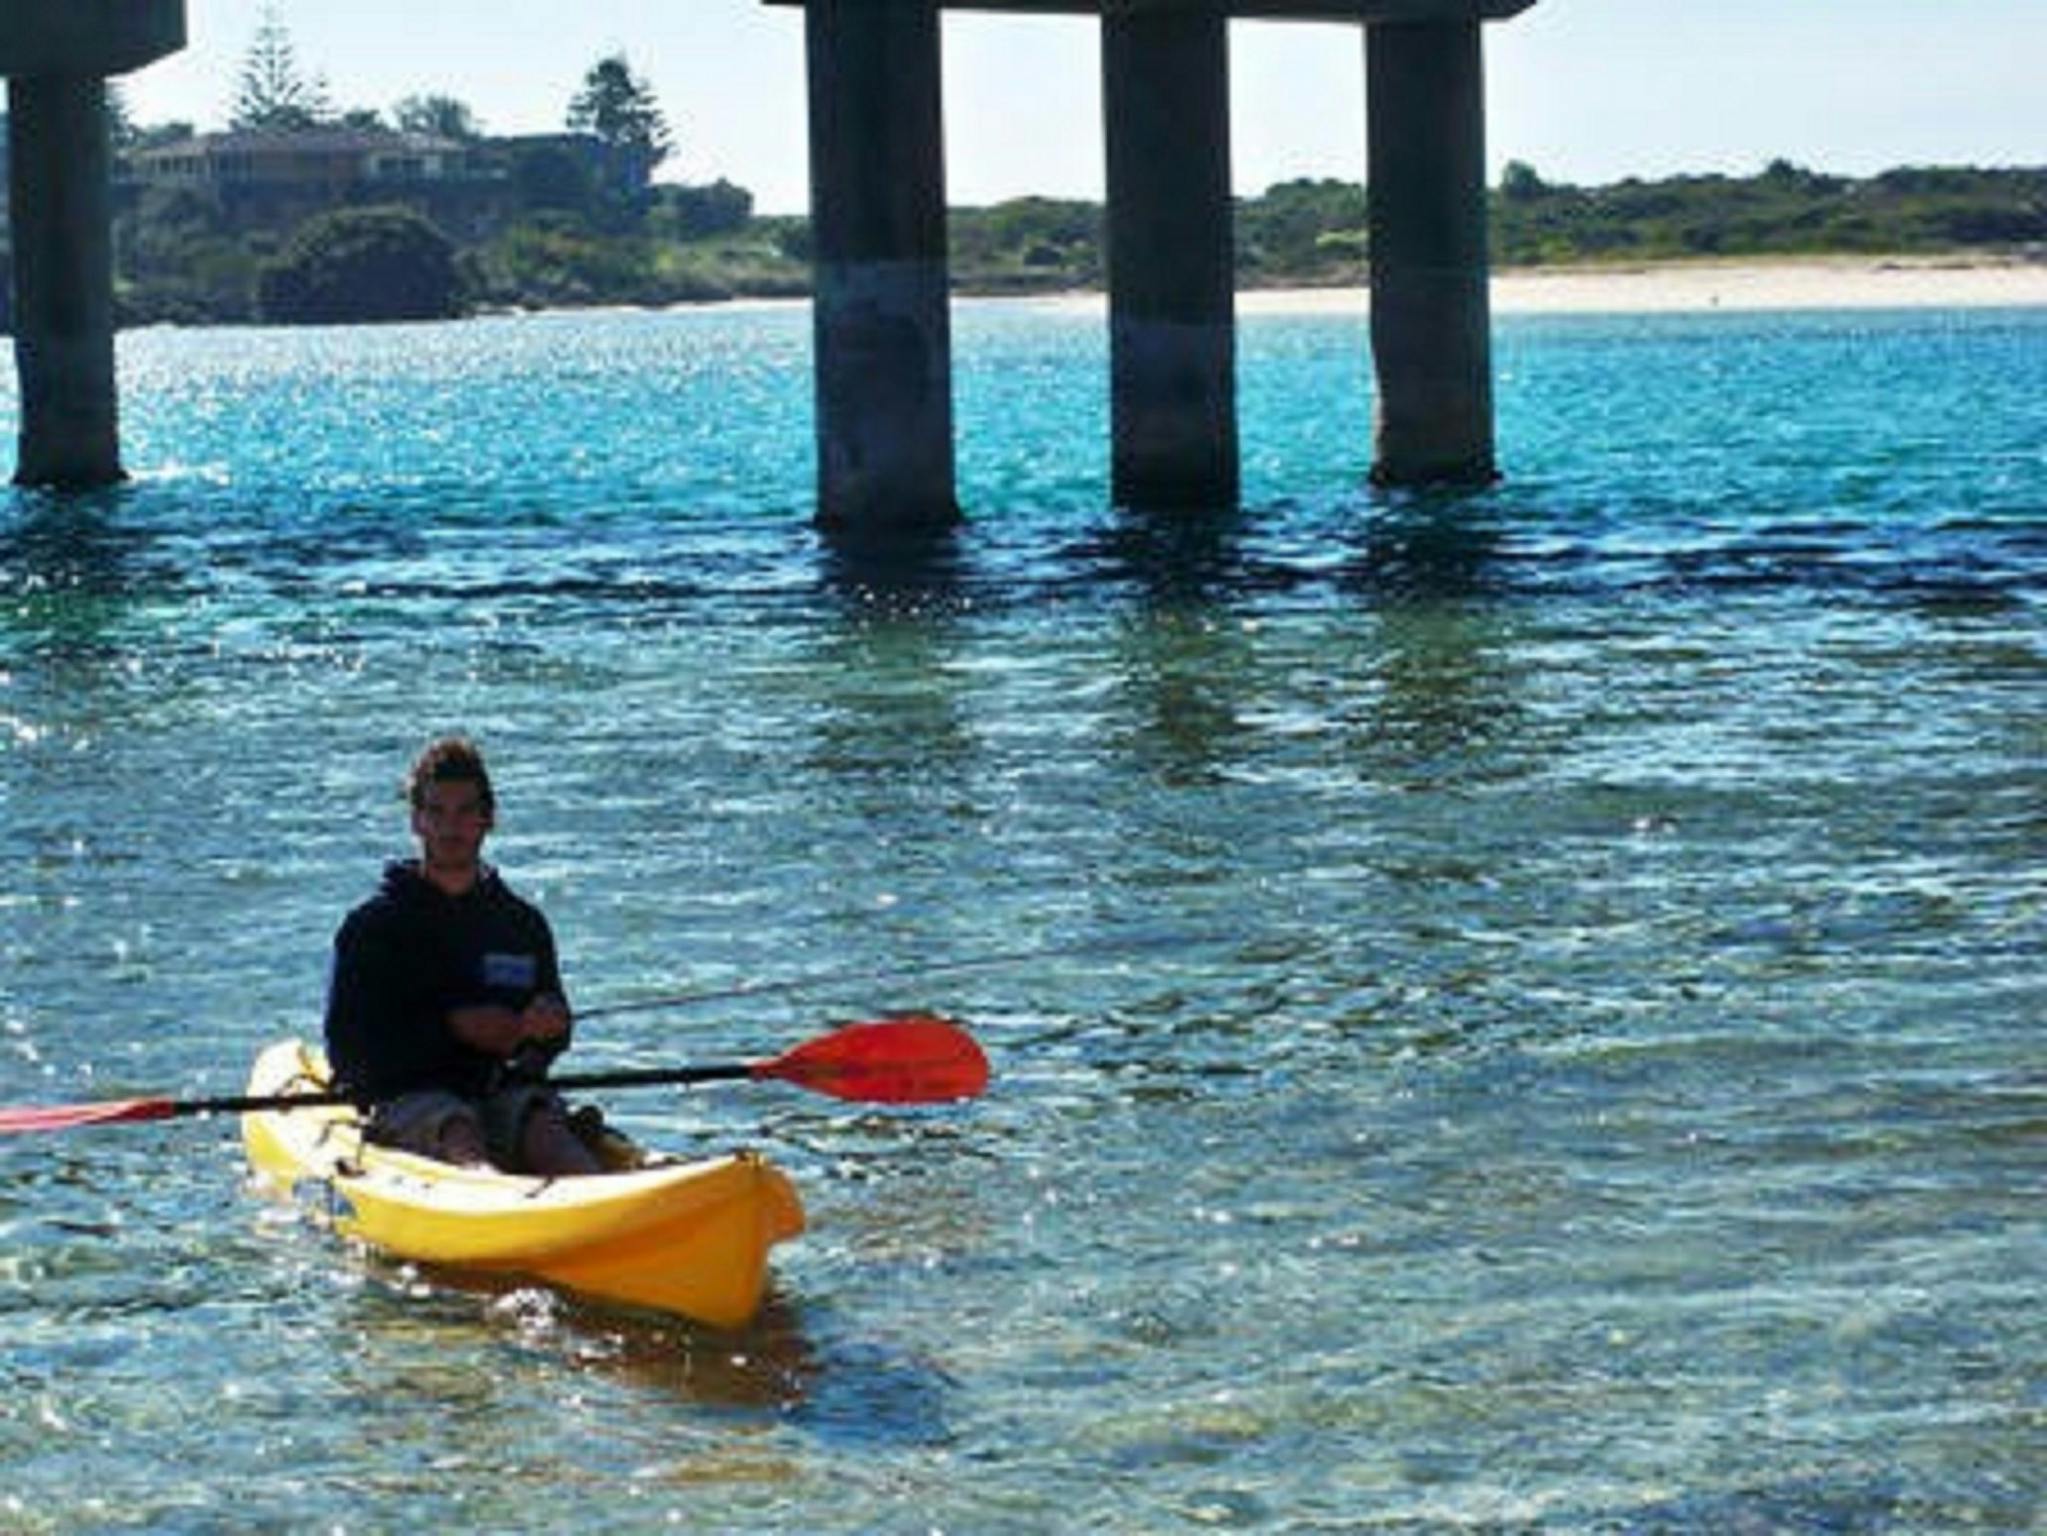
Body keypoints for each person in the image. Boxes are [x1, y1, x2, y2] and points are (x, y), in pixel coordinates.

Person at [323, 736, 602, 1176]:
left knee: (543, 1126)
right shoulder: (371, 928)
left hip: (501, 1094)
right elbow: (349, 1055)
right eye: (436, 812)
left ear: (488, 820)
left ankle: (599, 1197)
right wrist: (454, 1031)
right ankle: (490, 1197)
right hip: (410, 1101)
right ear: (417, 821)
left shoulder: (522, 924)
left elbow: (549, 1037)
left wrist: (545, 1029)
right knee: (456, 1128)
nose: (450, 828)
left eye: (466, 812)